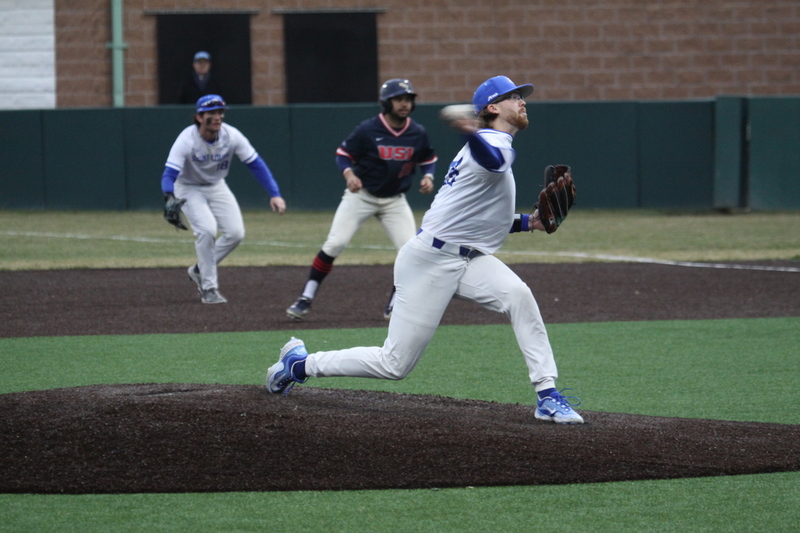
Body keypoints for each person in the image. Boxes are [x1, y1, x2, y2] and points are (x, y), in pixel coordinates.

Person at [267, 75, 584, 424]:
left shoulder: (489, 146)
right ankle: (300, 363)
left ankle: (547, 394)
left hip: (467, 258)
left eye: (522, 97)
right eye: (514, 97)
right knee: (394, 364)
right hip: (429, 262)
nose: (523, 102)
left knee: (519, 295)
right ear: (492, 107)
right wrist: (469, 131)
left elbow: (477, 219)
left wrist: (530, 222)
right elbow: (493, 160)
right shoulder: (491, 143)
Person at [285, 78, 437, 322]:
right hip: (362, 196)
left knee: (410, 252)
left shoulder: (416, 132)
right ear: (387, 102)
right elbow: (343, 154)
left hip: (394, 200)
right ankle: (306, 296)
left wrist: (428, 176)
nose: (404, 104)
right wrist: (349, 173)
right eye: (399, 99)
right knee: (335, 243)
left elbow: (428, 158)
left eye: (408, 99)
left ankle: (395, 303)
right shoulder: (368, 129)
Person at [161, 94, 286, 304]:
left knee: (236, 233)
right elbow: (169, 173)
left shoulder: (232, 136)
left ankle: (199, 270)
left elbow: (256, 164)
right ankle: (209, 288)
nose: (218, 117)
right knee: (207, 230)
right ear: (199, 117)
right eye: (211, 113)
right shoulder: (186, 139)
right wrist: (168, 196)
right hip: (188, 187)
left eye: (220, 112)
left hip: (217, 185)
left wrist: (274, 193)